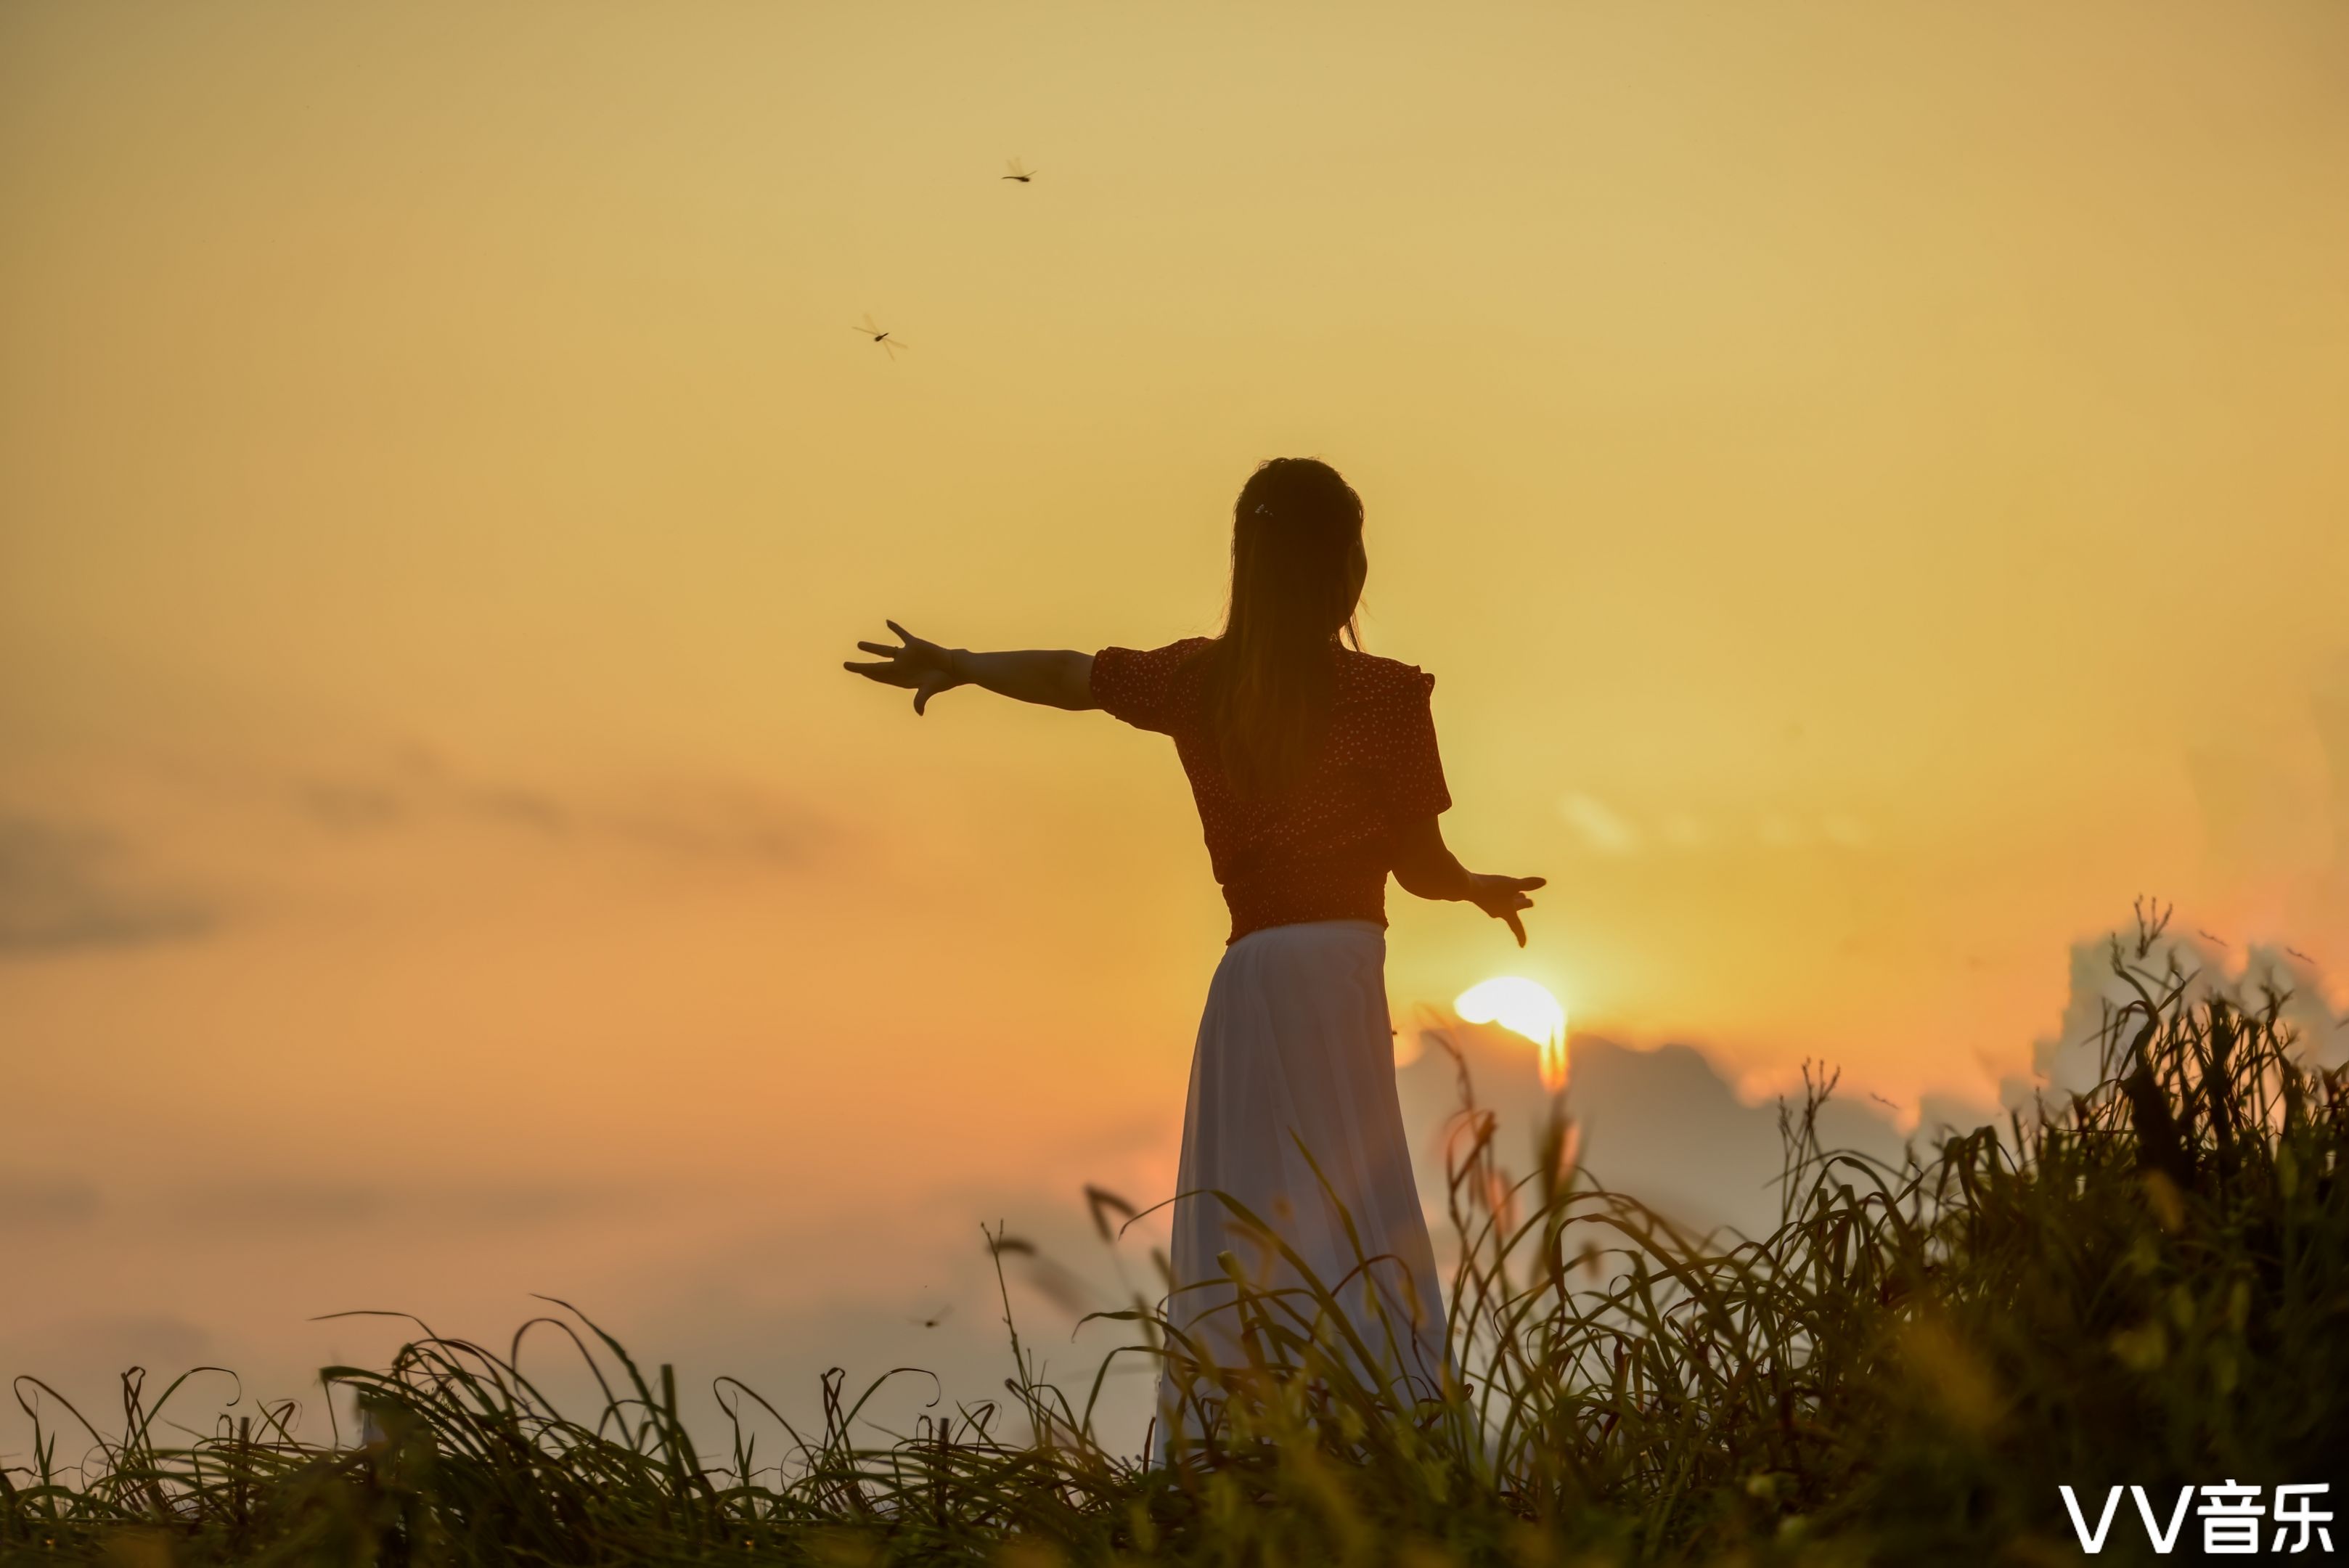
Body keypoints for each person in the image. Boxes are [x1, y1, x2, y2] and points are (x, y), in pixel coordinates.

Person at [843, 456, 1544, 1455]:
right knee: (1359, 1207)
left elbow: (1064, 674)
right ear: (1347, 567)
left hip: (1251, 980)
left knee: (1249, 1201)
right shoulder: (1388, 698)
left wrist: (960, 661)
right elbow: (1422, 866)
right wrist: (1475, 889)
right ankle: (1387, 1440)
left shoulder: (1199, 681)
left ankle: (1236, 1445)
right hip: (1340, 976)